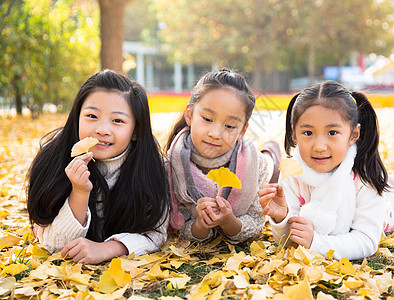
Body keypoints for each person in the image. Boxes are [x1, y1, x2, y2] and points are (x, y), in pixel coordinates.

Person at [258, 81, 394, 260]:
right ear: (294, 135)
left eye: (332, 132)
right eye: (308, 133)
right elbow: (292, 240)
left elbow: (366, 241)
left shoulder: (365, 178)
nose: (319, 146)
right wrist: (282, 218)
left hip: (383, 209)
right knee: (393, 184)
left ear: (354, 135)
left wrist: (317, 243)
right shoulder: (292, 173)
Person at [27, 70, 170, 264]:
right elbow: (53, 245)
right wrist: (79, 192)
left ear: (135, 131)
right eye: (92, 116)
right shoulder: (55, 158)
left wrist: (107, 249)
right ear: (77, 117)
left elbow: (156, 233)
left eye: (117, 121)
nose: (102, 129)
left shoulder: (150, 166)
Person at [165, 68, 280, 243]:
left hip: (262, 164)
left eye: (230, 126)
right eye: (207, 119)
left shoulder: (256, 166)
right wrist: (200, 225)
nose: (215, 134)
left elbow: (256, 222)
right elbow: (179, 227)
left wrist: (230, 222)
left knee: (269, 162)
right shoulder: (172, 167)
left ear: (242, 130)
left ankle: (272, 153)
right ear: (189, 115)